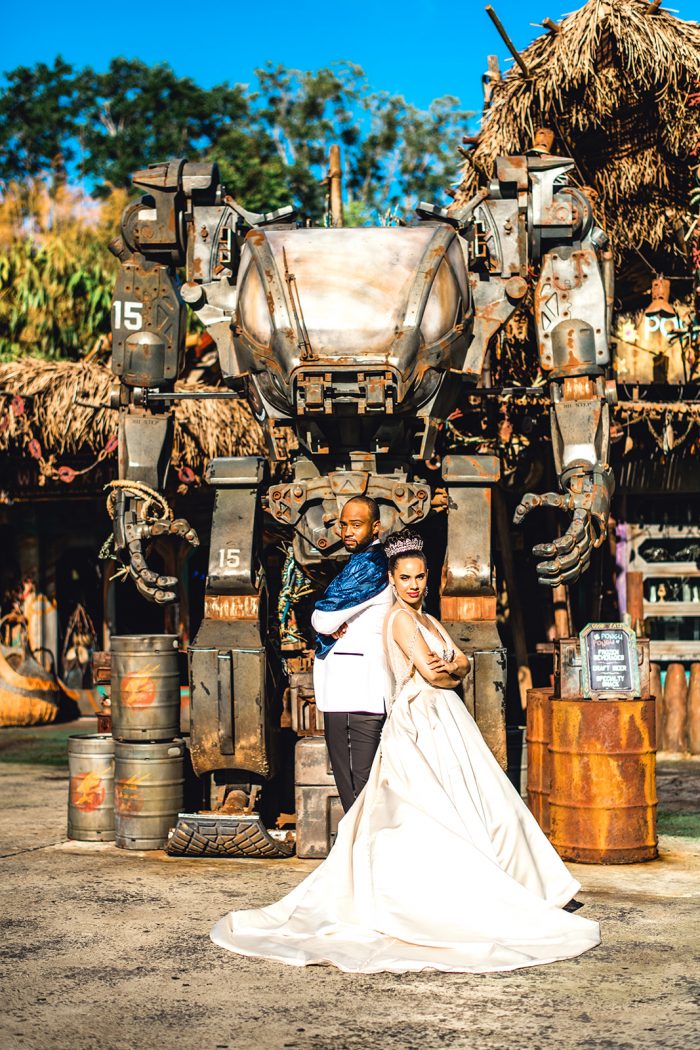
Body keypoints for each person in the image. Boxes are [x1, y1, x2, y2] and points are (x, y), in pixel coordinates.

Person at [211, 529, 601, 974]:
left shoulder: (430, 621)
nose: (413, 585)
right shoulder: (398, 619)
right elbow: (438, 675)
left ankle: (520, 884)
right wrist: (451, 670)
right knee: (420, 809)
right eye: (405, 578)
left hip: (447, 720)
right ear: (392, 581)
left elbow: (461, 662)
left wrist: (453, 667)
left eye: (419, 577)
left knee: (479, 801)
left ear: (427, 578)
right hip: (417, 719)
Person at [309, 495, 392, 812]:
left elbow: (325, 618)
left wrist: (320, 621)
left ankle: (362, 855)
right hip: (354, 692)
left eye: (356, 525)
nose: (347, 531)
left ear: (375, 527)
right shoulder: (362, 563)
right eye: (344, 524)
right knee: (359, 790)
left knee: (357, 791)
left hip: (355, 695)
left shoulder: (367, 567)